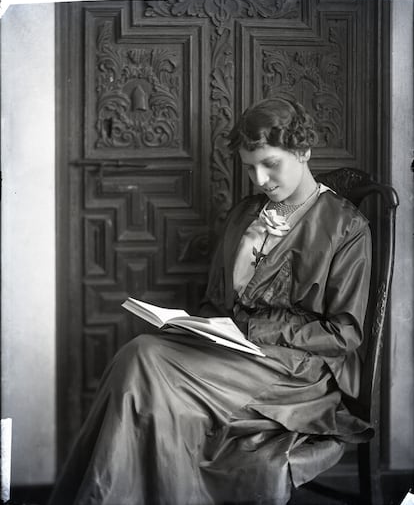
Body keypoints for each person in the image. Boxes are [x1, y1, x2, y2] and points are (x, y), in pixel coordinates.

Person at [48, 97, 373, 505]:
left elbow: (343, 336)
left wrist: (254, 328)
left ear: (303, 152)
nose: (259, 179)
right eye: (250, 167)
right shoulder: (246, 215)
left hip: (297, 374)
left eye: (270, 163)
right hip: (234, 354)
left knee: (144, 359)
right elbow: (217, 303)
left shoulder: (347, 226)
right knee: (140, 357)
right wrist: (248, 249)